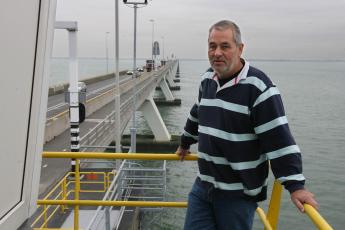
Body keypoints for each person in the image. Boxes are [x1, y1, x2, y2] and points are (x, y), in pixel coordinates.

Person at [176, 20, 318, 230]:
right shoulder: (207, 78)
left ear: (240, 49)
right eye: (212, 46)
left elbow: (278, 138)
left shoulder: (259, 88)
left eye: (225, 46)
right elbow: (198, 113)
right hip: (203, 186)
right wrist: (185, 143)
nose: (217, 52)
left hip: (237, 196)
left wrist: (295, 186)